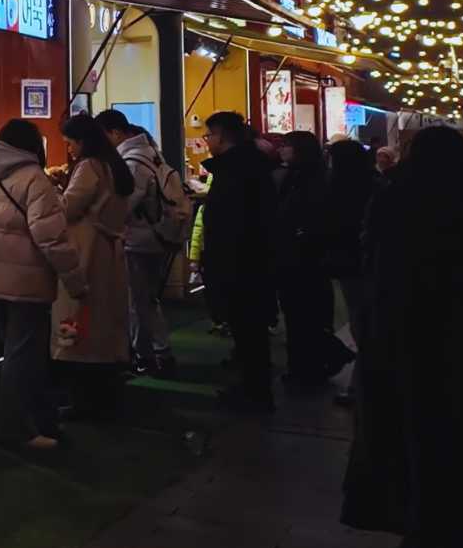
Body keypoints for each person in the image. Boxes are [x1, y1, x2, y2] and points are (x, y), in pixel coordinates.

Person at [341, 125, 463, 548]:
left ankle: (409, 516)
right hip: (459, 338)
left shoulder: (390, 205)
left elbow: (374, 267)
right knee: (452, 428)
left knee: (397, 428)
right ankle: (452, 519)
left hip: (397, 332)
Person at [0, 119, 85, 451]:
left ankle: (44, 420)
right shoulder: (35, 180)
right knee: (23, 356)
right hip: (27, 280)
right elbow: (52, 239)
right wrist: (76, 281)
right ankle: (14, 428)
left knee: (20, 353)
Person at [53, 114, 134, 415]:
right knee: (104, 321)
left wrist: (53, 194)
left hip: (87, 249)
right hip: (109, 251)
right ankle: (104, 394)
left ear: (84, 141)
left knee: (79, 320)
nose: (70, 149)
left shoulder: (89, 166)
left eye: (71, 142)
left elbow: (69, 208)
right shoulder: (115, 166)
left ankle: (83, 401)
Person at [201, 111, 279, 411]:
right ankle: (253, 388)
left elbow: (232, 223)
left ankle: (255, 393)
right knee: (249, 331)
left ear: (221, 136)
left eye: (208, 136)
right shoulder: (251, 167)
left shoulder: (236, 171)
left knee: (248, 329)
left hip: (241, 263)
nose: (206, 142)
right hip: (250, 261)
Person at [98, 109, 182, 377]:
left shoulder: (131, 162)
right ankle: (160, 352)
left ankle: (145, 355)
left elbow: (125, 204)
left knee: (138, 301)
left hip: (139, 238)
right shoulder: (152, 154)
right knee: (148, 299)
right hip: (157, 236)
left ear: (115, 133)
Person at [272, 129, 348, 391]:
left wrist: (299, 235)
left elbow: (313, 217)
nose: (281, 149)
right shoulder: (298, 177)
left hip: (304, 259)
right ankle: (308, 366)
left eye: (286, 146)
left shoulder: (310, 180)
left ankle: (309, 368)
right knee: (300, 317)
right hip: (298, 257)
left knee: (304, 317)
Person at [321, 139, 378, 406]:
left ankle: (362, 384)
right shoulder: (376, 184)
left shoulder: (337, 188)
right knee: (364, 319)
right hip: (367, 260)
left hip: (351, 261)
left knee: (361, 320)